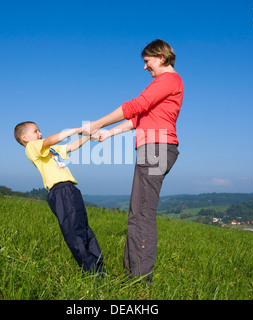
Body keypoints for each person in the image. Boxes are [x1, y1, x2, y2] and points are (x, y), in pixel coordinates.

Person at [82, 39, 183, 282]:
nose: (145, 67)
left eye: (147, 61)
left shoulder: (168, 79)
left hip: (157, 148)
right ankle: (132, 273)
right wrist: (109, 132)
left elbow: (136, 105)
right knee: (137, 212)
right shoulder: (166, 84)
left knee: (143, 214)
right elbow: (139, 117)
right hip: (155, 147)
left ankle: (139, 280)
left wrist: (97, 123)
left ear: (160, 56)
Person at [14, 121, 105, 274]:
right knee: (74, 232)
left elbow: (70, 147)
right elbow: (50, 140)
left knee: (84, 230)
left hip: (71, 189)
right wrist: (74, 130)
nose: (40, 133)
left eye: (39, 131)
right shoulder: (32, 147)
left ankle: (99, 269)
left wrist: (88, 137)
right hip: (60, 191)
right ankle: (91, 273)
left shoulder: (49, 149)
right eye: (36, 131)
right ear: (25, 138)